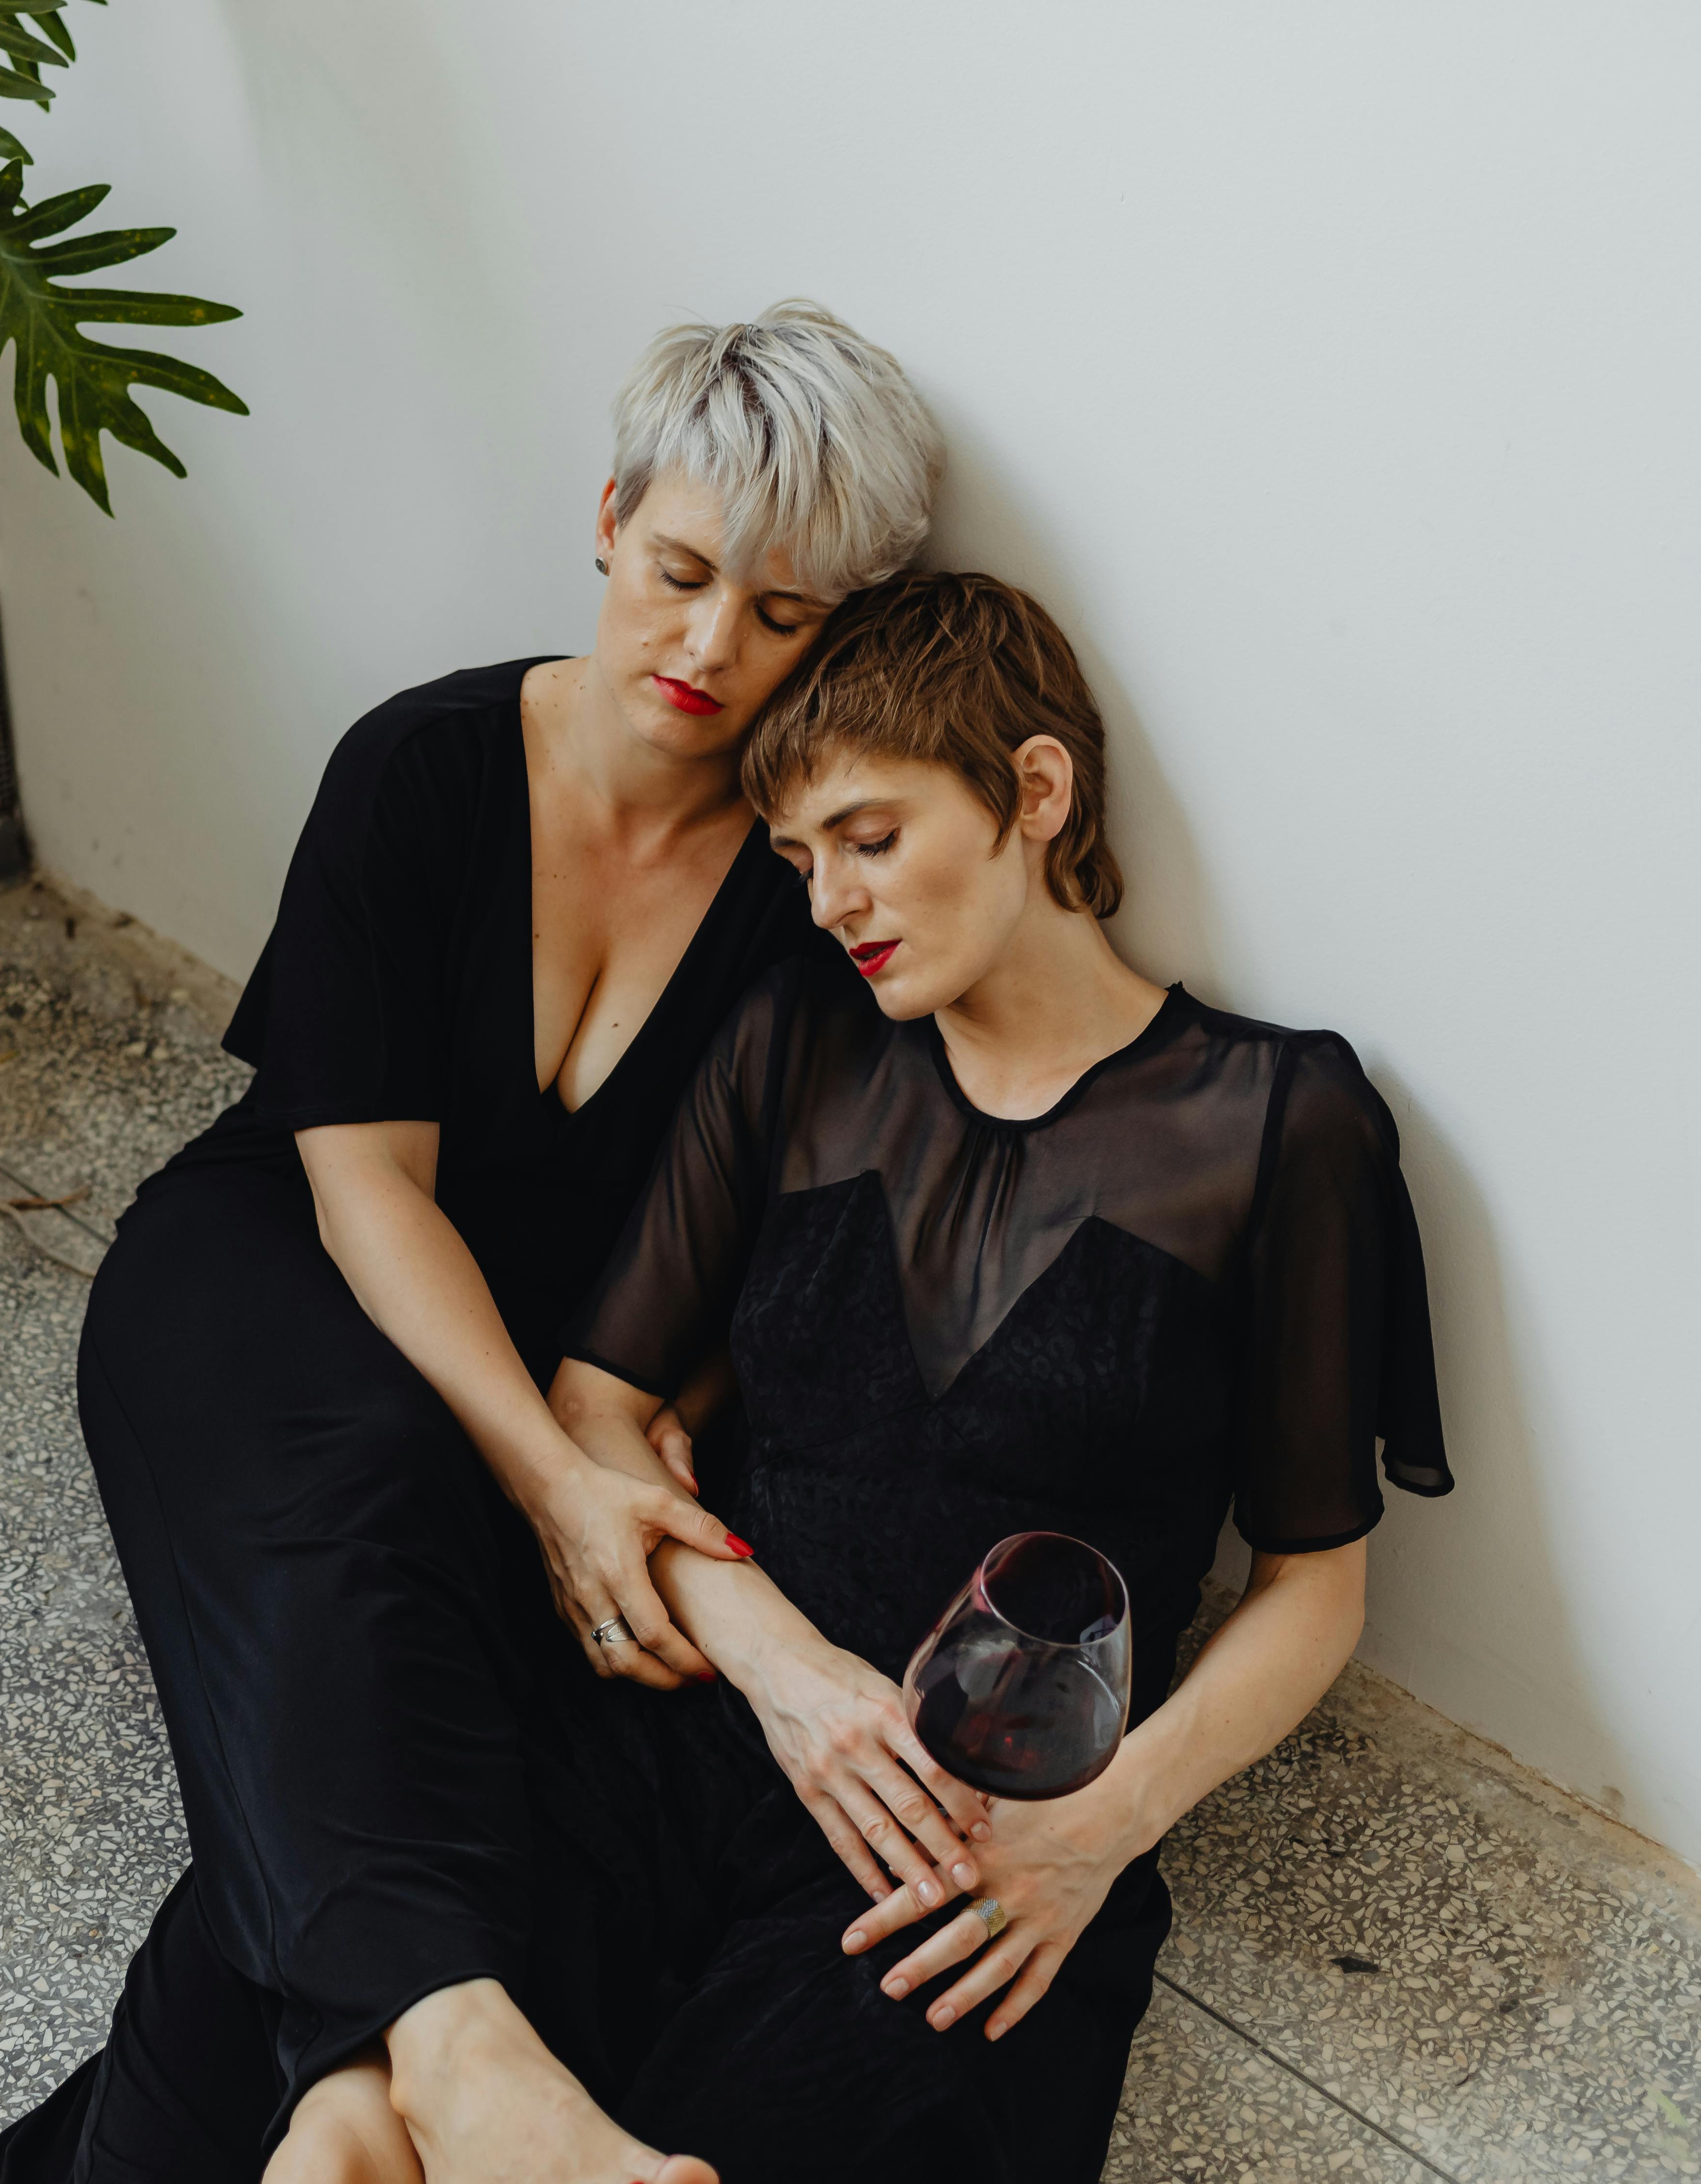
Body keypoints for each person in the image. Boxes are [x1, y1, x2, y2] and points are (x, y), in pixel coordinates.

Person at [0, 303, 947, 2184]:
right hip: (268, 1281)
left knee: (410, 1687)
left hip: (570, 1386)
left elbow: (748, 1250)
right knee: (385, 1495)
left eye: (788, 616)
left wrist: (631, 1452)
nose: (713, 646)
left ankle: (346, 2112)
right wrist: (561, 1487)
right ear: (606, 519)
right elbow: (364, 1187)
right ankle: (479, 2075)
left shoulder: (810, 898)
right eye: (679, 572)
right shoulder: (423, 769)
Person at [474, 569, 1453, 2180]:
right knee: (378, 2067)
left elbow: (1315, 1586)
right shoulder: (798, 1038)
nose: (831, 902)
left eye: (873, 838)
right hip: (700, 1726)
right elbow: (596, 1409)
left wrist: (1107, 1829)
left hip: (986, 1834)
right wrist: (782, 1671)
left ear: (1039, 793)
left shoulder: (1282, 1125)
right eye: (801, 861)